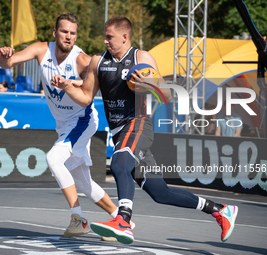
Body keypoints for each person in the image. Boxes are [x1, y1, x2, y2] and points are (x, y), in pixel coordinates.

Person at [52, 16, 239, 244]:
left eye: (110, 37)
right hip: (120, 133)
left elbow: (168, 95)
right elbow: (85, 98)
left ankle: (123, 220)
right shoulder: (97, 61)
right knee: (161, 193)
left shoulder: (141, 58)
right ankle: (219, 210)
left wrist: (151, 85)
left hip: (138, 125)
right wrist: (67, 87)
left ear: (125, 37)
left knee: (119, 163)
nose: (105, 41)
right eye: (105, 36)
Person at [0, 13, 125, 238]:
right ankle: (121, 220)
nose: (68, 36)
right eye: (64, 31)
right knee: (84, 184)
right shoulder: (40, 50)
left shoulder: (82, 60)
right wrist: (3, 56)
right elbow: (7, 63)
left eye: (73, 33)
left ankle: (78, 219)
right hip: (64, 125)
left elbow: (91, 93)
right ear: (55, 33)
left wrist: (70, 85)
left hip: (82, 121)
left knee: (53, 159)